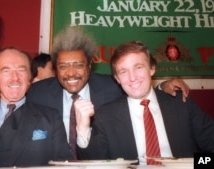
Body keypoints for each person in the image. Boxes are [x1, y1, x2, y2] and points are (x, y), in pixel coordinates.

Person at [0, 26, 189, 159]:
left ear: (89, 66)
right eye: (63, 66)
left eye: (78, 65)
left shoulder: (113, 87)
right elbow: (11, 99)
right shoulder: (40, 92)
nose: (71, 73)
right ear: (55, 68)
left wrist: (161, 87)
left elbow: (137, 88)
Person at [79, 41, 214, 164]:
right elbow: (95, 164)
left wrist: (193, 164)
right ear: (117, 79)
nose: (132, 78)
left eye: (138, 67)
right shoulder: (105, 116)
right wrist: (83, 130)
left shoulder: (180, 103)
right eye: (123, 71)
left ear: (152, 68)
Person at [0, 47, 72, 167]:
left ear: (29, 79)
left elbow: (63, 165)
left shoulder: (50, 119)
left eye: (21, 70)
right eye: (6, 71)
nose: (15, 77)